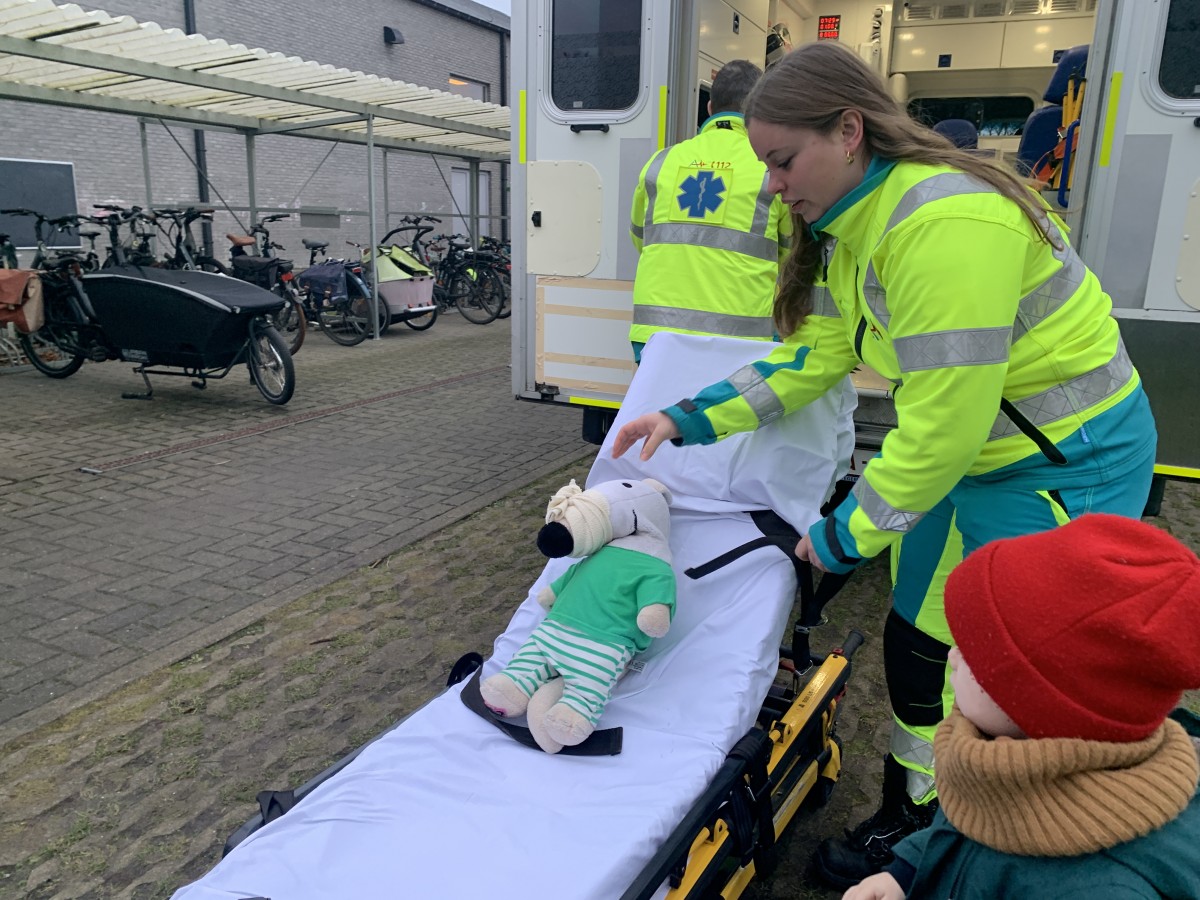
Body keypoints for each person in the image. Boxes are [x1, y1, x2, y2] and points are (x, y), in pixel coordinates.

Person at [611, 40, 1158, 886]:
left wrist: (840, 536)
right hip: (976, 462)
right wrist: (685, 419)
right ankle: (920, 816)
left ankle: (1014, 852)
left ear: (849, 131)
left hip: (1062, 467)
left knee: (1022, 675)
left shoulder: (943, 224)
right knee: (918, 640)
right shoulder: (858, 226)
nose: (771, 185)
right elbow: (815, 357)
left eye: (782, 160)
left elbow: (943, 426)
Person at [843, 514, 1200, 900]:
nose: (952, 656)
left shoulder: (1101, 890)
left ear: (1042, 707)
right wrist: (905, 873)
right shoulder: (996, 751)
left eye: (975, 652)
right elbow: (967, 817)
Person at [628, 59, 793, 363]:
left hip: (655, 337)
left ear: (709, 107)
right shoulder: (771, 169)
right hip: (739, 342)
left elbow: (641, 238)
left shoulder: (660, 163)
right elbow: (788, 253)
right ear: (760, 109)